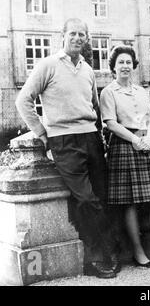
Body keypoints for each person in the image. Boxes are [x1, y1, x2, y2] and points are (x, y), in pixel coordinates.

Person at [15, 18, 118, 278]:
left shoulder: (87, 70)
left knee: (103, 196)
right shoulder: (48, 65)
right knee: (86, 198)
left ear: (86, 39)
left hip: (91, 138)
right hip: (64, 141)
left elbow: (94, 106)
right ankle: (95, 258)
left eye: (82, 34)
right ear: (63, 35)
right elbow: (23, 100)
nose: (77, 38)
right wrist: (41, 133)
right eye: (73, 33)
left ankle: (108, 249)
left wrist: (100, 136)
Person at [100, 45, 150, 270]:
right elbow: (110, 123)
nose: (125, 66)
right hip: (123, 146)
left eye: (128, 62)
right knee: (130, 203)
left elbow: (148, 121)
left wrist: (148, 138)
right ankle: (138, 252)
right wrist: (134, 139)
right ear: (114, 67)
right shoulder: (109, 92)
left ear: (133, 65)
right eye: (120, 62)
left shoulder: (141, 91)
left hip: (144, 145)